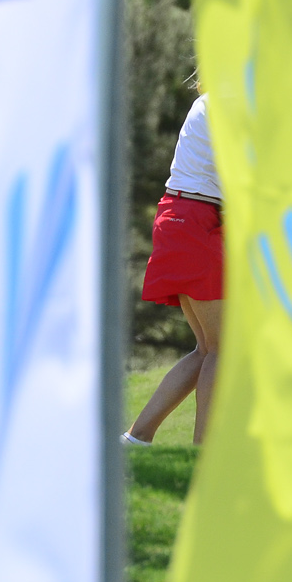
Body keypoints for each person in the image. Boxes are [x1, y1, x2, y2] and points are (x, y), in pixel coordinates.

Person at [124, 90, 224, 447]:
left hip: (182, 216)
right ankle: (203, 454)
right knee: (220, 349)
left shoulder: (213, 99)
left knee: (206, 348)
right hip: (195, 218)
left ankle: (136, 438)